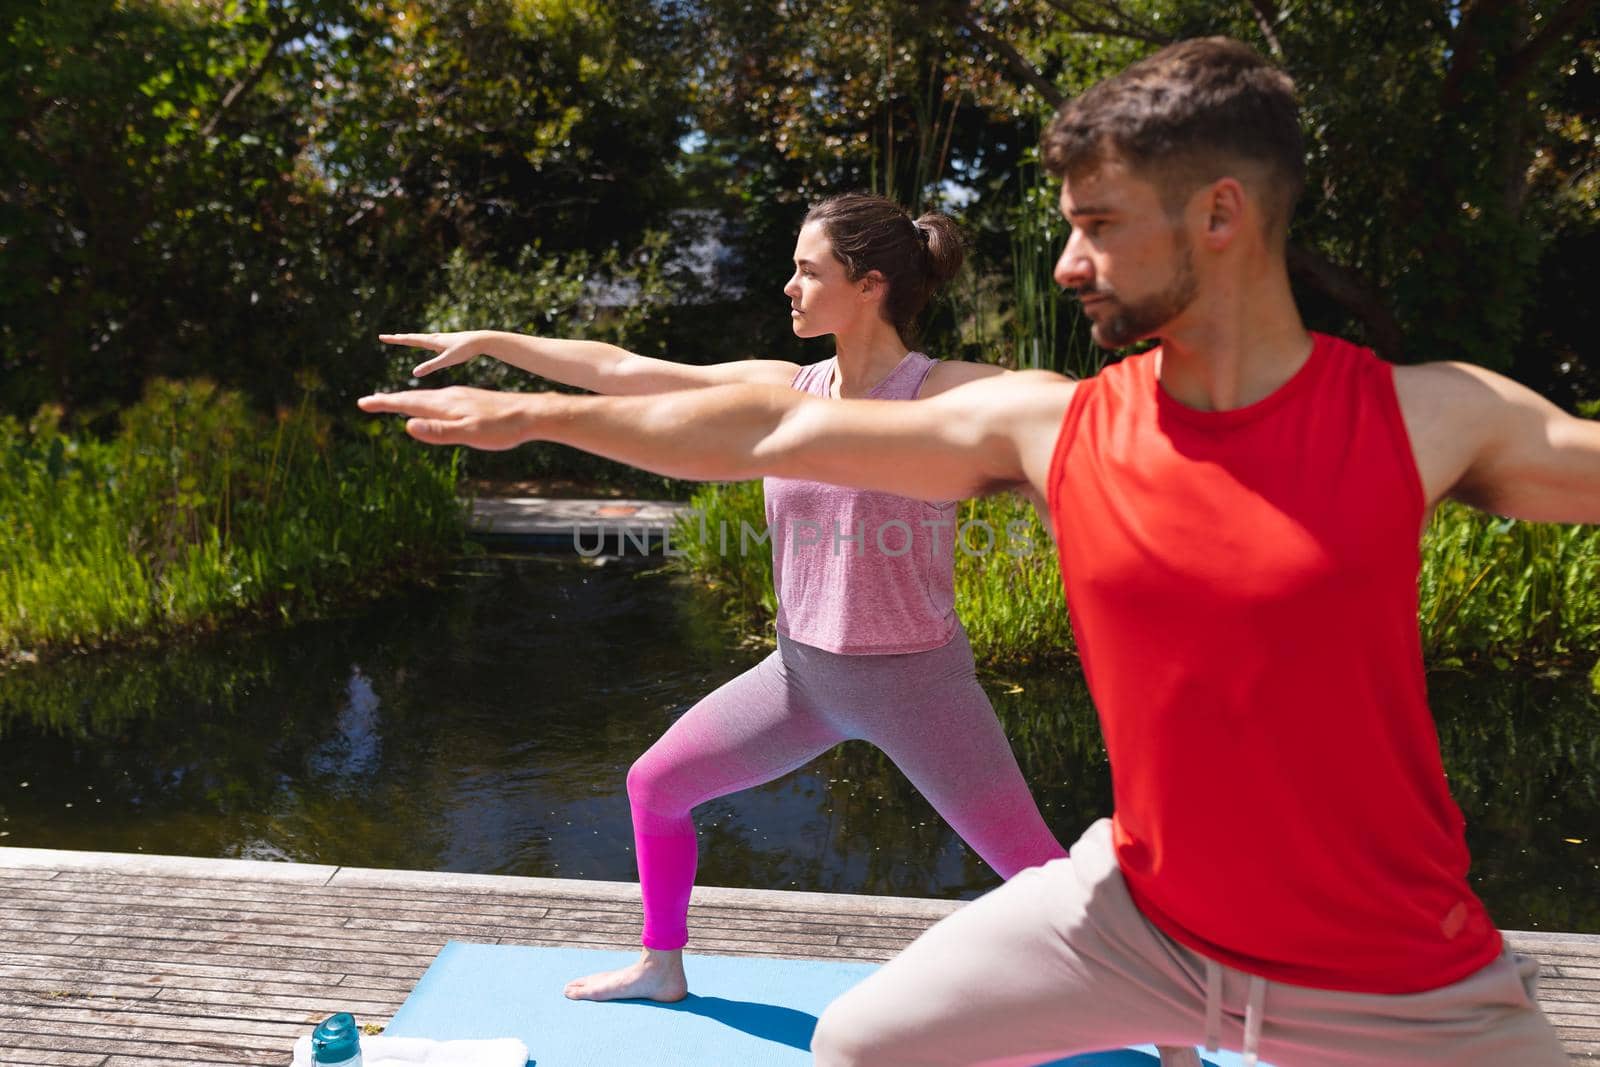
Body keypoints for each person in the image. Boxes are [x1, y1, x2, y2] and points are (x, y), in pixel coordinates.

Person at [359, 37, 1599, 1066]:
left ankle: (1169, 1023)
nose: (1065, 263)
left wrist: (546, 409)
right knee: (845, 1024)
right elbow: (756, 424)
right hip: (1045, 844)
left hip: (1381, 956)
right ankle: (675, 965)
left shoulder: (1419, 416)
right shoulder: (1045, 422)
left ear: (1219, 214)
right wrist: (534, 400)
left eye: (1096, 225)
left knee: (1016, 856)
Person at [379, 192, 1067, 1005]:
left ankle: (1165, 1018)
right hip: (800, 679)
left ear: (871, 284)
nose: (789, 285)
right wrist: (494, 343)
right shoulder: (784, 388)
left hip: (917, 684)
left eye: (808, 270)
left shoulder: (941, 391)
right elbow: (622, 373)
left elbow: (1058, 408)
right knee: (655, 785)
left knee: (1041, 875)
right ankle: (660, 966)